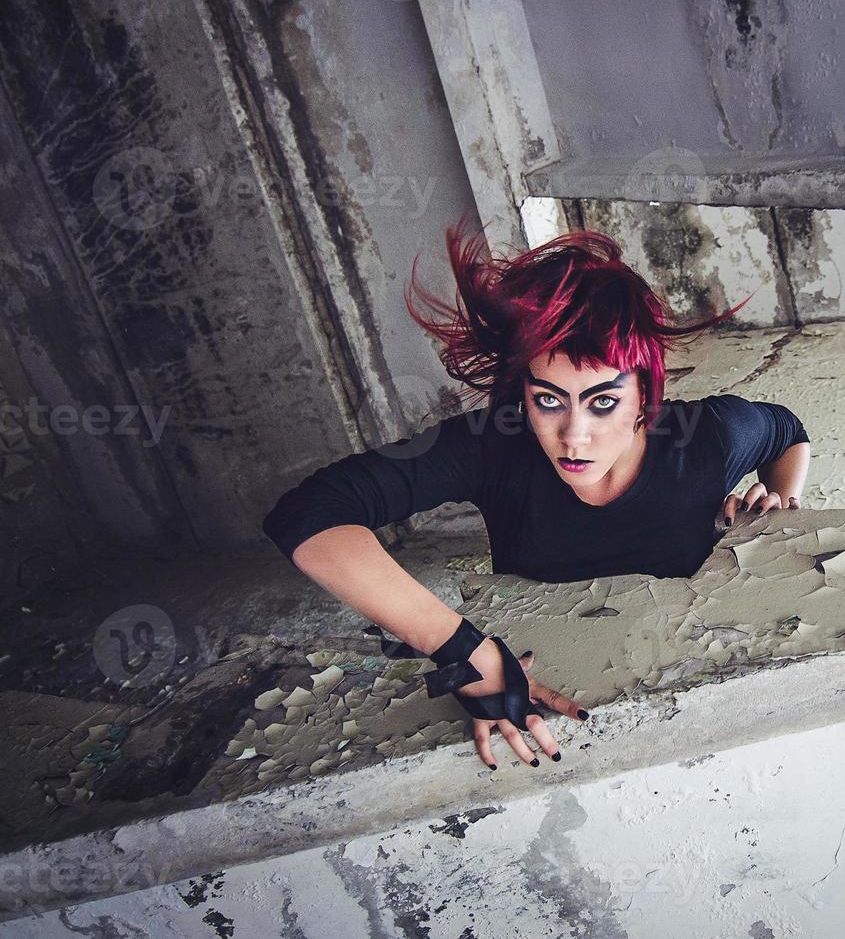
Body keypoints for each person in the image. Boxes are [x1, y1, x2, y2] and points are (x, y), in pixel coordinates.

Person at [261, 218, 811, 771]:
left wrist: (778, 499)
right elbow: (309, 513)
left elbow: (787, 431)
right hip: (545, 683)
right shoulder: (495, 443)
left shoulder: (710, 437)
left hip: (695, 680)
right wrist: (464, 652)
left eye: (602, 402)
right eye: (548, 400)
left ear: (645, 392)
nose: (573, 436)